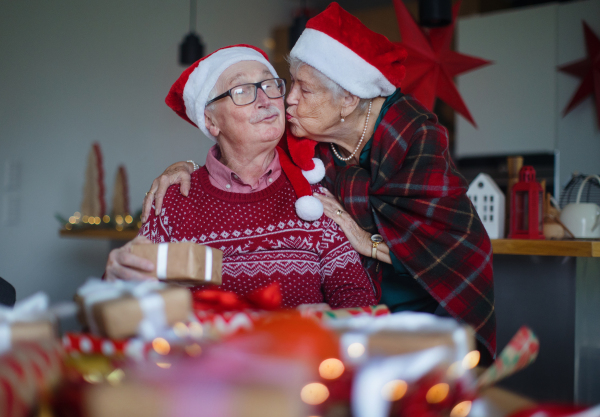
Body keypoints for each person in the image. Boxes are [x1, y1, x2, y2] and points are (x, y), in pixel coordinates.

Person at [142, 4, 496, 360]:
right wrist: (182, 167)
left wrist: (364, 242)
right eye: (289, 84)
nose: (282, 100)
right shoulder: (310, 142)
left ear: (348, 100)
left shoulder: (411, 136)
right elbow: (241, 146)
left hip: (424, 308)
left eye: (297, 89)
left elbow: (439, 248)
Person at [106, 44, 377, 309]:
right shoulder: (172, 201)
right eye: (242, 90)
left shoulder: (315, 201)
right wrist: (115, 280)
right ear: (211, 121)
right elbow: (124, 307)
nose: (265, 100)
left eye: (270, 85)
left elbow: (358, 306)